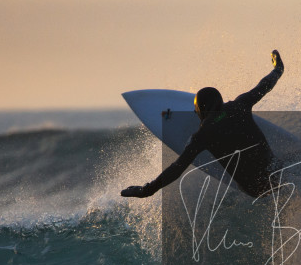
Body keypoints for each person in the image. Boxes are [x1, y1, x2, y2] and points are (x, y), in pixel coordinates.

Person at [121, 50, 284, 199]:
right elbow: (264, 85)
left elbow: (177, 168)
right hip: (277, 175)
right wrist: (278, 69)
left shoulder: (202, 136)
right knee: (289, 160)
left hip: (257, 190)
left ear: (201, 110)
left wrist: (146, 190)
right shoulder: (240, 105)